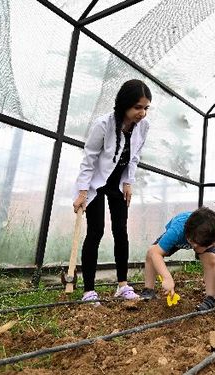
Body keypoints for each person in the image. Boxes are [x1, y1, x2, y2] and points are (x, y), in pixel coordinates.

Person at [72, 79, 152, 303]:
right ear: (124, 104)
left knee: (121, 231)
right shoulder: (103, 124)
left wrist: (128, 181)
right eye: (138, 107)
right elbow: (89, 159)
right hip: (97, 181)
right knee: (95, 231)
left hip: (118, 182)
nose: (142, 113)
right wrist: (82, 191)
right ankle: (89, 290)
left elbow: (134, 156)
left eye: (146, 108)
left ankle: (123, 285)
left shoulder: (143, 126)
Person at [140, 206, 215, 311]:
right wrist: (167, 278)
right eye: (192, 243)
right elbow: (155, 253)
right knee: (150, 253)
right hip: (179, 237)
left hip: (203, 240)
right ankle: (148, 290)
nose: (194, 247)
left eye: (198, 246)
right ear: (188, 236)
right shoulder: (176, 231)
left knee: (211, 261)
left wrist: (207, 247)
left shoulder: (214, 232)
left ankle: (210, 298)